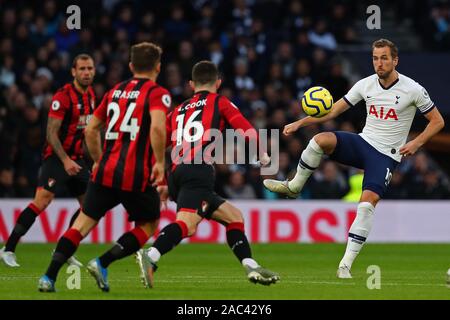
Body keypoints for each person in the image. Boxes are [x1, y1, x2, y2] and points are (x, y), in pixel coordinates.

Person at [263, 39, 445, 278]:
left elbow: (438, 121)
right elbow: (333, 111)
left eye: (384, 58)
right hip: (363, 143)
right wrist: (300, 122)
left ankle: (345, 265)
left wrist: (416, 142)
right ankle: (295, 185)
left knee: (366, 205)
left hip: (385, 156)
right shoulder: (365, 84)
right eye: (375, 58)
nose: (379, 63)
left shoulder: (412, 89)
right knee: (320, 140)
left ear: (395, 60)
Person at [38, 42, 170, 292]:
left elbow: (90, 130)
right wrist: (160, 163)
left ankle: (48, 277)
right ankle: (102, 262)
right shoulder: (156, 93)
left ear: (131, 66)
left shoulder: (114, 91)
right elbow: (156, 127)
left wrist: (99, 161)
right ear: (158, 67)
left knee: (82, 224)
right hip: (136, 176)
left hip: (105, 172)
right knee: (149, 224)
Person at [136, 60, 279, 288]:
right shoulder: (220, 102)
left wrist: (161, 181)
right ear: (218, 82)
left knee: (234, 217)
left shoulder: (178, 110)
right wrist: (262, 154)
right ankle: (151, 254)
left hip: (177, 172)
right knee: (187, 225)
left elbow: (156, 145)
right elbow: (246, 129)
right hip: (198, 169)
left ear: (192, 84)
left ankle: (250, 265)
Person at [0, 54, 96, 268]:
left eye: (90, 68)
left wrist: (96, 160)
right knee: (42, 201)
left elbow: (88, 134)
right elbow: (50, 134)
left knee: (90, 205)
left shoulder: (91, 96)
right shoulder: (63, 96)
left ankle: (65, 248)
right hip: (56, 157)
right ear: (73, 72)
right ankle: (8, 249)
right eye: (82, 69)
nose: (86, 72)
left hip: (77, 159)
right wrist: (65, 161)